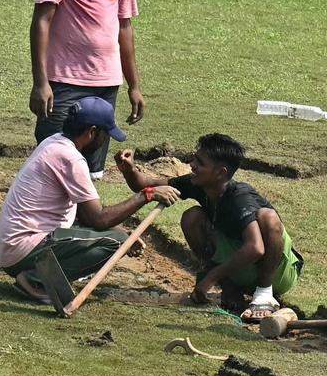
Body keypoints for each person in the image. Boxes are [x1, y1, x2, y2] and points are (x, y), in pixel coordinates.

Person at [0, 96, 181, 302]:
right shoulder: (70, 158)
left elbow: (86, 215)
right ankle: (35, 280)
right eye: (105, 135)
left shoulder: (55, 141)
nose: (105, 141)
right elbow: (98, 218)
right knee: (116, 243)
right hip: (25, 249)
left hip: (15, 248)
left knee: (119, 237)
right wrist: (147, 195)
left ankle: (37, 276)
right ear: (92, 132)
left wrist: (123, 232)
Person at [30, 0, 148, 179]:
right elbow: (42, 19)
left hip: (106, 84)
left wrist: (133, 85)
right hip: (64, 83)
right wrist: (41, 83)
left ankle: (81, 227)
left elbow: (125, 25)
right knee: (52, 168)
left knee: (90, 174)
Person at [116, 133, 303, 320]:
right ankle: (230, 289)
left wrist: (210, 278)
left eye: (200, 163)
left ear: (220, 173)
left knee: (268, 217)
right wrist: (129, 170)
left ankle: (264, 295)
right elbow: (147, 185)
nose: (192, 165)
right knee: (192, 217)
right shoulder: (198, 184)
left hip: (276, 274)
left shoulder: (240, 197)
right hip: (242, 269)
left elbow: (255, 248)